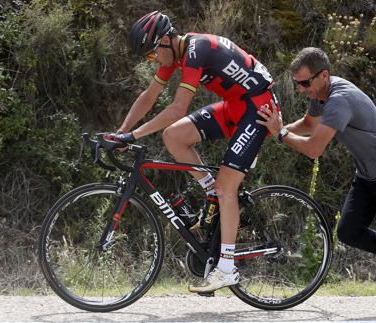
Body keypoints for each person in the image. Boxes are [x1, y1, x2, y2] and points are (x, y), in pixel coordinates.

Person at [257, 47, 376, 315]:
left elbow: (314, 149)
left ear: (324, 75)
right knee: (348, 232)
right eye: (298, 84)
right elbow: (309, 123)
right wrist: (273, 130)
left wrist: (281, 134)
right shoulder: (321, 94)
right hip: (367, 176)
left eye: (305, 83)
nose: (301, 89)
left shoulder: (339, 100)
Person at [112, 11, 278, 293]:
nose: (153, 61)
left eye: (152, 55)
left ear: (165, 40)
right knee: (174, 136)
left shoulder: (196, 49)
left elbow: (177, 108)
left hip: (258, 109)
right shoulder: (174, 54)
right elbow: (150, 95)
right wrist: (121, 131)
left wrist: (135, 135)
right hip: (235, 106)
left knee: (228, 186)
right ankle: (210, 189)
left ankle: (227, 268)